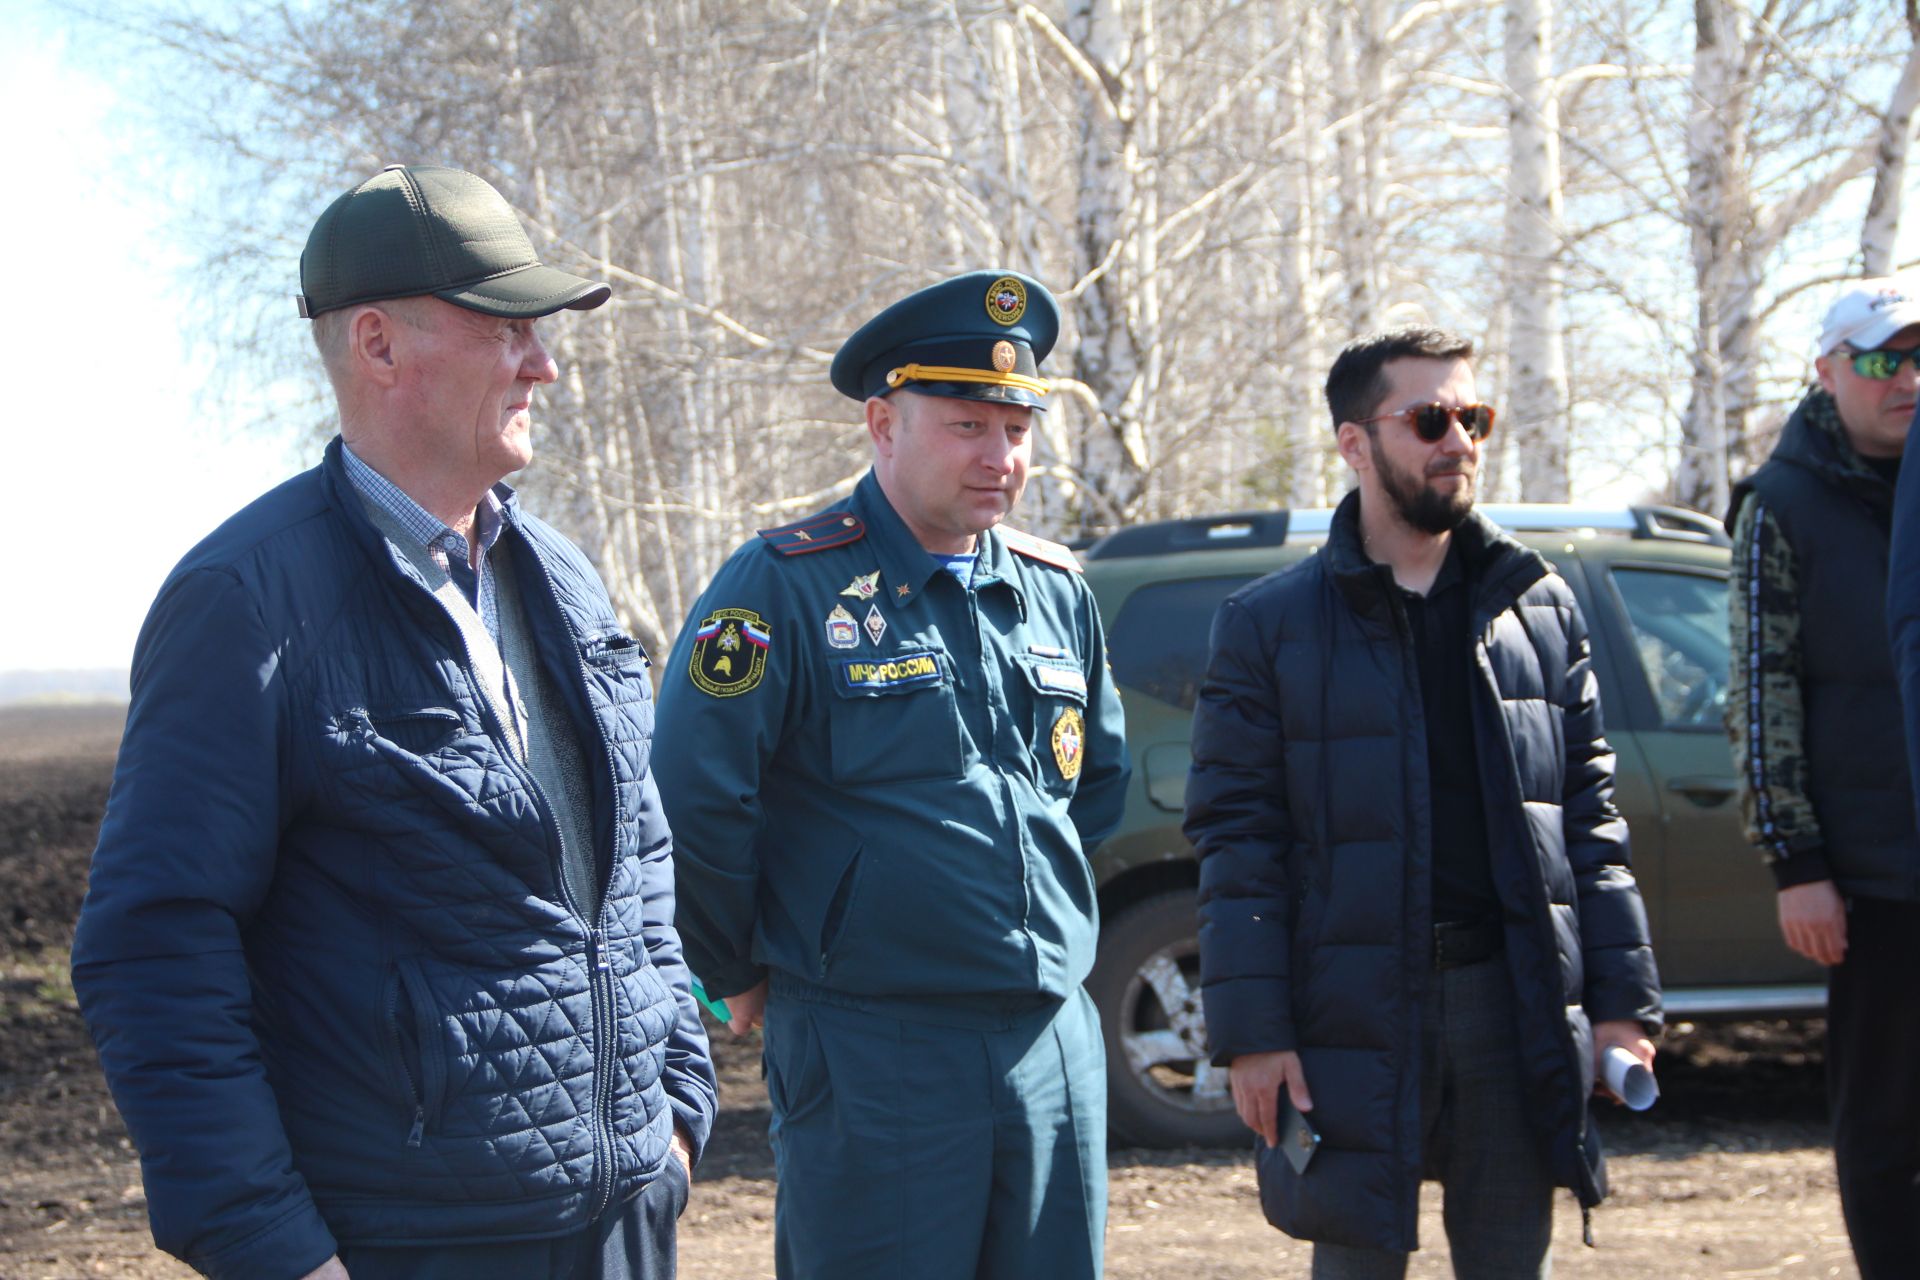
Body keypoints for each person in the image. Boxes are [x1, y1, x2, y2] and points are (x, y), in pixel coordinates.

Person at [71, 164, 716, 1280]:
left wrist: (676, 1112)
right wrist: (273, 1248)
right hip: (408, 1245)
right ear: (377, 343)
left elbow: (638, 860)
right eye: (509, 328)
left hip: (623, 1222)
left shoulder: (560, 576)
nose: (544, 363)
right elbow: (155, 945)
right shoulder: (246, 601)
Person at [652, 270, 1129, 1280]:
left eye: (1017, 429)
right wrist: (729, 963)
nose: (1001, 458)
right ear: (883, 422)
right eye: (967, 424)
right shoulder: (784, 581)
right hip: (877, 1044)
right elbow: (696, 788)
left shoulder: (1052, 592)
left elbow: (1096, 785)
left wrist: (1015, 911)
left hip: (1050, 1036)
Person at [1185, 326, 1662, 1277]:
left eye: (1473, 417)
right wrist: (1256, 1035)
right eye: (1431, 419)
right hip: (1349, 1009)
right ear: (1355, 444)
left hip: (1510, 998)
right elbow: (1240, 844)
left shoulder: (1539, 606)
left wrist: (1623, 1006)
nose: (1461, 442)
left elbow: (1589, 822)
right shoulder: (1266, 627)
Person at [1734, 276, 1920, 1280]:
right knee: (1885, 1121)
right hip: (1870, 873)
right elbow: (1759, 695)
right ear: (1828, 371)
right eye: (1886, 358)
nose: (1909, 380)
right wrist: (1796, 858)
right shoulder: (1784, 503)